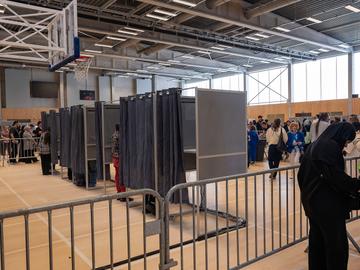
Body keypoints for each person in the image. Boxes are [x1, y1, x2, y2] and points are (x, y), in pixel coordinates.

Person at [298, 122, 360, 270]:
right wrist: (356, 184)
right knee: (335, 247)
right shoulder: (330, 147)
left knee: (317, 243)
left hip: (312, 203)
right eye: (346, 140)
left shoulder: (316, 144)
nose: (345, 145)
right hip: (327, 206)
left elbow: (302, 175)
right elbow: (336, 178)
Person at [111, 124, 127, 198]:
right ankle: (123, 194)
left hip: (115, 157)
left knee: (117, 175)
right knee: (121, 175)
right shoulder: (120, 136)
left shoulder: (114, 134)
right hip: (119, 158)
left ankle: (119, 192)